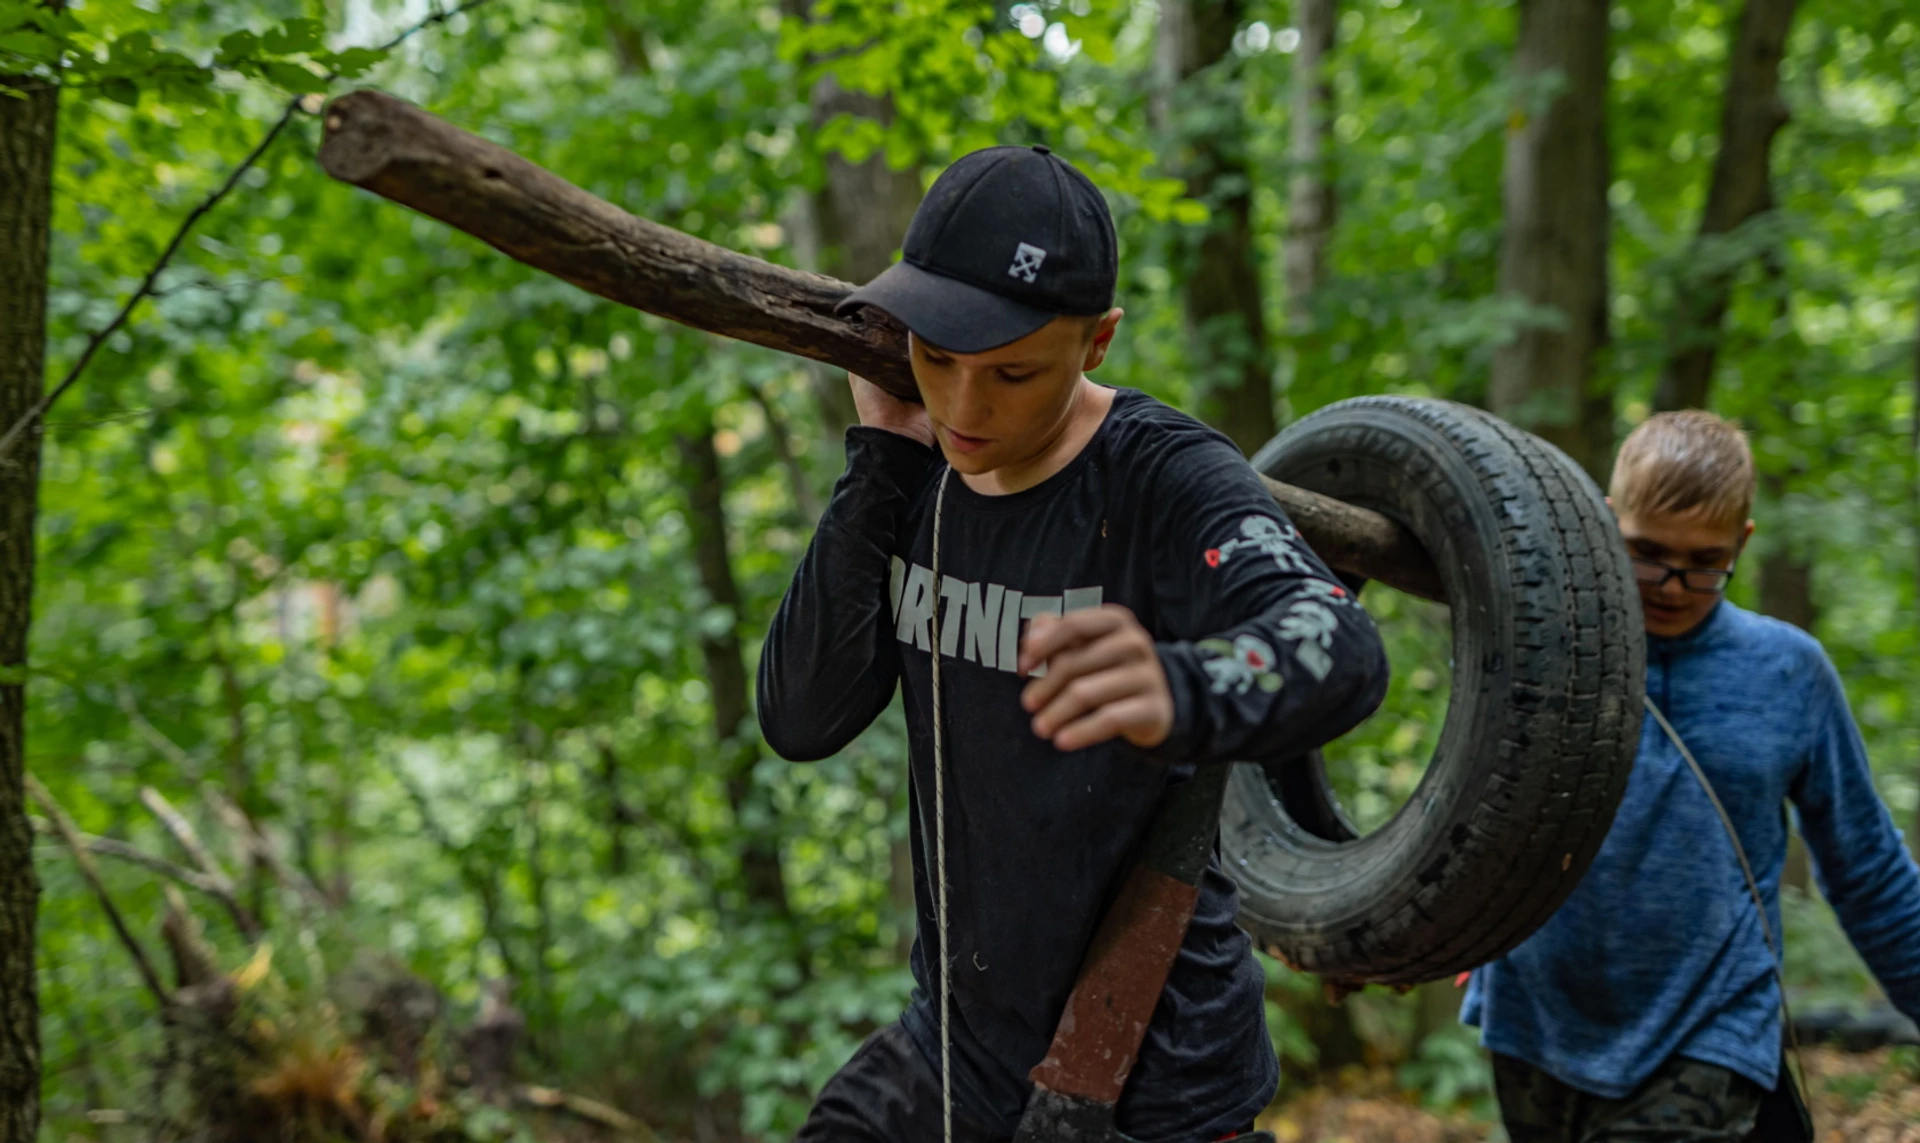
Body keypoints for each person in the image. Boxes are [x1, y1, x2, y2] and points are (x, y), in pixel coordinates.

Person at [757, 143, 1390, 1142]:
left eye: (1013, 372)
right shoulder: (919, 468)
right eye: (938, 360)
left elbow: (1341, 640)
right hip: (958, 1042)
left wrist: (1186, 682)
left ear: (1097, 342)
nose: (967, 408)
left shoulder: (1165, 477)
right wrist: (878, 459)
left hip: (1156, 1067)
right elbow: (801, 717)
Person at [1462, 410, 1920, 1142]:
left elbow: (1869, 868)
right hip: (1536, 1019)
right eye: (1646, 553)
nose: (1673, 585)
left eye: (1705, 562)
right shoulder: (1536, 651)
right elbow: (1460, 820)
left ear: (1742, 541)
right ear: (1606, 521)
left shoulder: (1790, 672)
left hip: (1711, 1023)